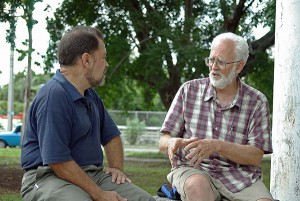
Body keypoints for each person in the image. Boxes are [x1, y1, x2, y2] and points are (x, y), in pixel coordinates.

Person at [20, 25, 155, 201]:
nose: (106, 64)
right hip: (48, 177)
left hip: (92, 174)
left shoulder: (90, 94)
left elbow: (111, 136)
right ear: (87, 60)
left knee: (144, 200)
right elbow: (58, 161)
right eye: (104, 58)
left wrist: (117, 169)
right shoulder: (53, 96)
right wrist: (99, 194)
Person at [159, 32, 273, 201]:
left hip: (240, 177)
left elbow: (255, 156)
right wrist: (171, 142)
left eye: (221, 62)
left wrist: (218, 146)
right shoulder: (188, 90)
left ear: (239, 66)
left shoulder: (257, 101)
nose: (214, 67)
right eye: (211, 60)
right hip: (193, 169)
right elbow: (163, 139)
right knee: (196, 186)